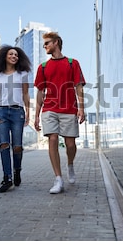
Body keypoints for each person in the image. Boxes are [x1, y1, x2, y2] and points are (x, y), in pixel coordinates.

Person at [34, 32, 86, 194]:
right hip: (49, 109)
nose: (45, 46)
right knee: (53, 139)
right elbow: (40, 92)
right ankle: (58, 179)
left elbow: (78, 87)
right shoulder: (42, 67)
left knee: (70, 144)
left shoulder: (73, 63)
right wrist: (36, 114)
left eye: (47, 43)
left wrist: (81, 108)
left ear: (56, 43)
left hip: (69, 109)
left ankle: (70, 164)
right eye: (44, 44)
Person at [0, 45, 31, 193]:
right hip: (1, 111)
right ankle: (7, 177)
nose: (14, 56)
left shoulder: (22, 74)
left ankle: (17, 169)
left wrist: (28, 112)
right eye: (11, 54)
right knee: (4, 145)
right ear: (5, 56)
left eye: (16, 55)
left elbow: (25, 95)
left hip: (18, 112)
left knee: (17, 146)